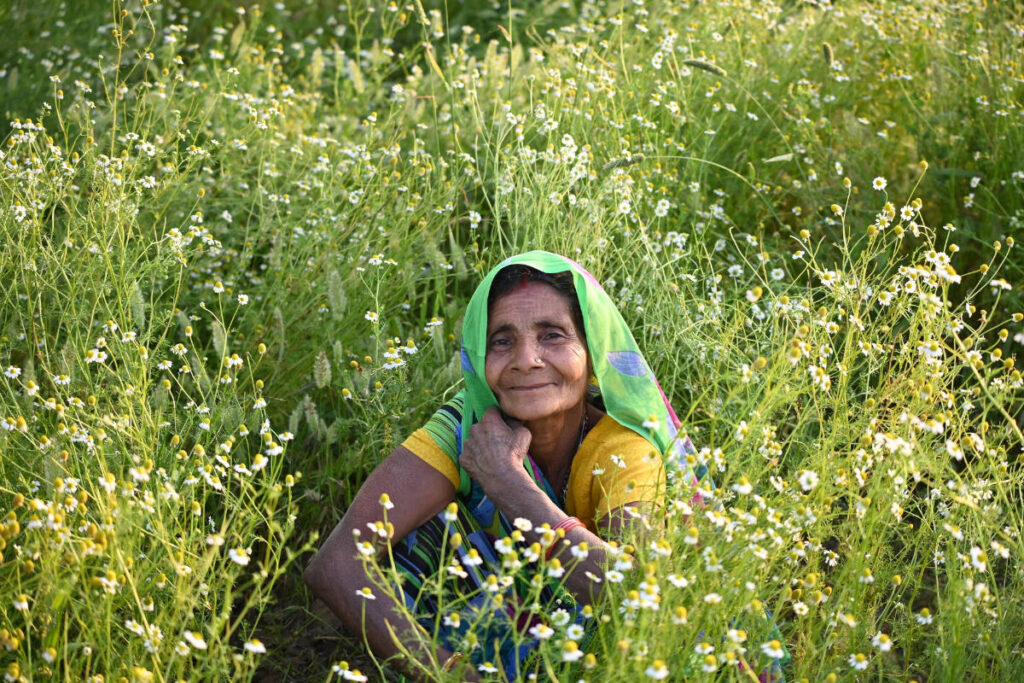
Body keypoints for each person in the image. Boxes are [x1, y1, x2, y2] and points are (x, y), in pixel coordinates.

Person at [304, 251, 699, 681]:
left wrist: (506, 481)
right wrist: (451, 676)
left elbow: (640, 602)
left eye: (552, 336)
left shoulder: (624, 449)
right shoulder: (465, 426)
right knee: (423, 533)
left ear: (591, 354)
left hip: (614, 665)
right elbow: (336, 564)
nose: (526, 359)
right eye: (502, 340)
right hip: (474, 668)